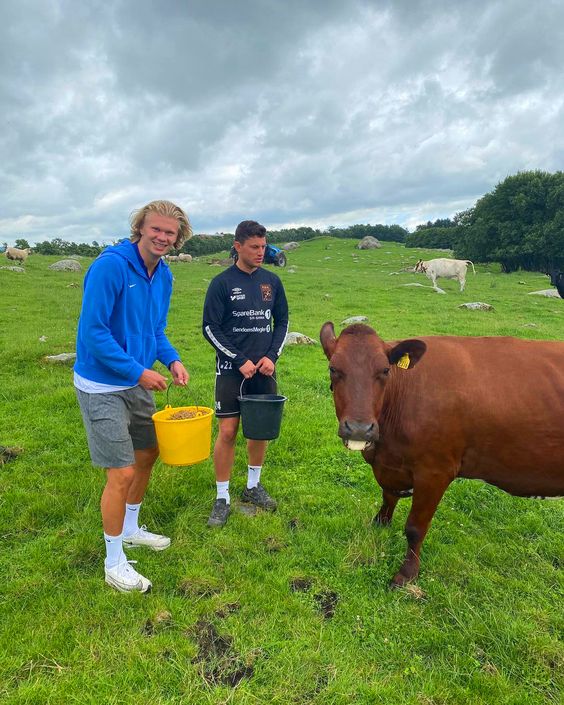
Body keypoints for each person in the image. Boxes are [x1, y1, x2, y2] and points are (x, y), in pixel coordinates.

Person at [74, 200, 191, 593]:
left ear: (177, 239)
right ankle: (113, 562)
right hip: (102, 384)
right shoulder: (110, 266)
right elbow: (94, 332)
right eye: (154, 229)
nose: (161, 237)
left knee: (147, 453)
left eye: (169, 233)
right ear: (139, 228)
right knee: (121, 472)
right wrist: (139, 371)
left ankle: (129, 528)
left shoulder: (165, 276)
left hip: (136, 381)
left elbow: (155, 330)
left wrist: (171, 360)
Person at [202, 220, 289, 527]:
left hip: (264, 369)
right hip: (231, 370)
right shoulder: (222, 283)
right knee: (227, 432)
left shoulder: (272, 281)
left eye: (263, 247)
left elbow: (282, 323)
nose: (260, 252)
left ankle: (253, 486)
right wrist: (238, 359)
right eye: (254, 247)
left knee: (259, 429)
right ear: (237, 246)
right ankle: (222, 496)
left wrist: (271, 356)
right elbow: (210, 328)